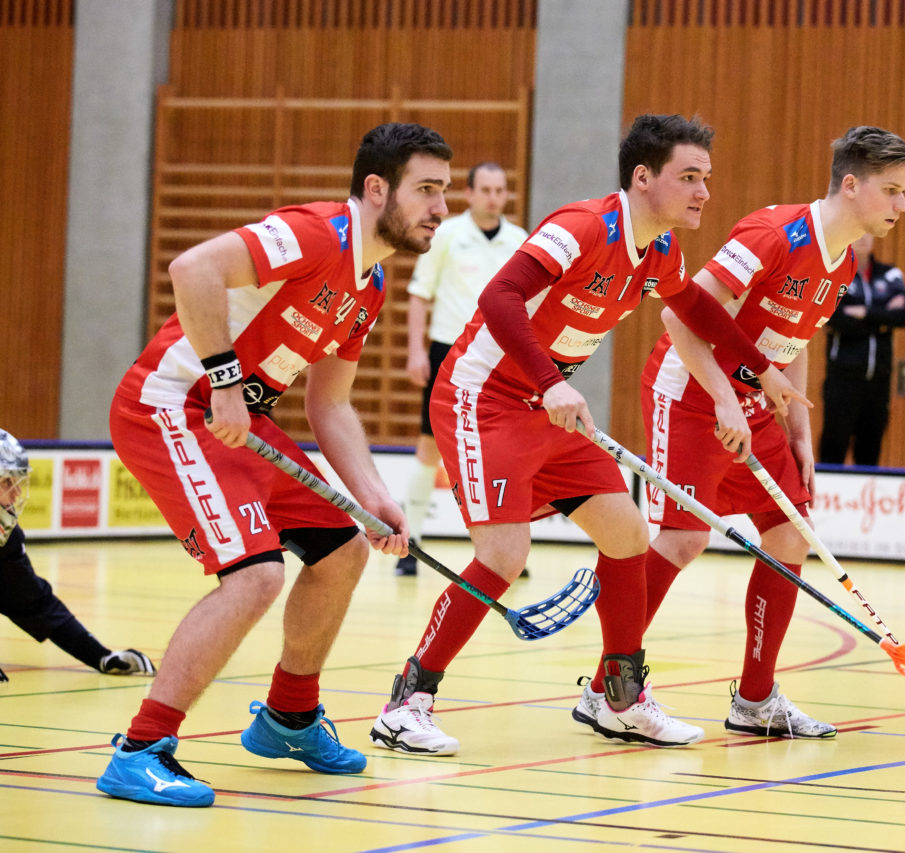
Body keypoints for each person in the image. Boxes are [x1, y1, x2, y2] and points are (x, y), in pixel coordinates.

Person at [368, 114, 805, 756]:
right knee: (503, 554)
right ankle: (407, 704)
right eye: (689, 177)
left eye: (706, 178)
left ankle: (619, 697)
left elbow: (697, 310)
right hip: (483, 397)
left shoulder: (659, 251)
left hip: (546, 407)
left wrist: (763, 370)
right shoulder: (580, 227)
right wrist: (549, 383)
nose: (703, 192)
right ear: (642, 177)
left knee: (628, 533)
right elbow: (500, 296)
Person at [95, 122, 449, 807]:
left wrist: (371, 492)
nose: (441, 207)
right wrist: (226, 380)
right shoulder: (318, 234)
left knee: (344, 549)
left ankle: (289, 717)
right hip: (173, 404)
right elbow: (192, 267)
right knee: (255, 575)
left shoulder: (369, 284)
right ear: (377, 190)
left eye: (444, 191)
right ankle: (140, 749)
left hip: (240, 421)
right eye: (427, 190)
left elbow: (331, 405)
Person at [578, 126, 905, 740]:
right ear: (850, 185)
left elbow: (795, 344)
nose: (901, 206)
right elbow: (682, 313)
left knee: (789, 538)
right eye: (891, 191)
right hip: (691, 391)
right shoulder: (773, 234)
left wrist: (800, 431)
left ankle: (756, 701)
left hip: (755, 405)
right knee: (683, 542)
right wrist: (722, 400)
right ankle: (610, 687)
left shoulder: (840, 261)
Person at [397, 162, 529, 576]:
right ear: (469, 194)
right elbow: (419, 296)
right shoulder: (448, 236)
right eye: (485, 189)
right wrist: (416, 352)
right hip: (447, 353)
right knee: (428, 446)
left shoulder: (520, 241)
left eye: (500, 190)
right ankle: (411, 543)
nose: (494, 197)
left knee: (511, 453)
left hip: (501, 359)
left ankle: (516, 551)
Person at [0, 429, 154, 683]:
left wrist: (100, 657)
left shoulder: (7, 539)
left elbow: (35, 602)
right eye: (7, 482)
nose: (16, 494)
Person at [818, 233, 905, 466]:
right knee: (833, 446)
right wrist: (882, 320)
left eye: (867, 234)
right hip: (843, 378)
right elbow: (833, 318)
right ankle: (825, 500)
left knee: (870, 448)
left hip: (879, 380)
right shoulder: (836, 275)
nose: (863, 239)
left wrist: (864, 313)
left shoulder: (890, 274)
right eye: (857, 234)